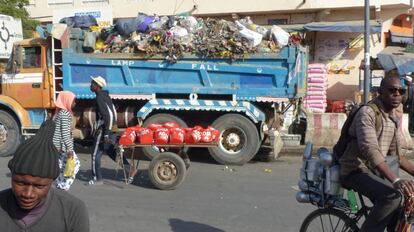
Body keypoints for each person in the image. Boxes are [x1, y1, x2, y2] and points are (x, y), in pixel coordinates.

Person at [339, 76, 414, 232]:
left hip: (375, 170)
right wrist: (396, 180)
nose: (397, 94)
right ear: (380, 92)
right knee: (392, 197)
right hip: (354, 170)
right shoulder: (367, 113)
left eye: (401, 91)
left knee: (402, 209)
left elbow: (396, 156)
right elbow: (370, 150)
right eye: (392, 90)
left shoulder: (393, 118)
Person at [0, 120, 89, 231]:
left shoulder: (73, 211)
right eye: (21, 183)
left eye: (39, 186)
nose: (28, 194)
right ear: (12, 176)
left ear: (51, 182)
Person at [88, 76, 121, 185]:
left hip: (104, 128)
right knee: (111, 151)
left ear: (97, 86)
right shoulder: (105, 96)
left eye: (92, 83)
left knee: (95, 154)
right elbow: (113, 114)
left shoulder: (99, 98)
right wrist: (112, 129)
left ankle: (97, 178)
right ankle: (129, 169)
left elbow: (108, 115)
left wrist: (106, 133)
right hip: (111, 127)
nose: (90, 85)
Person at [53, 91, 81, 191]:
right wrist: (70, 149)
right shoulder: (64, 114)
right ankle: (63, 186)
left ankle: (60, 184)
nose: (75, 103)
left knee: (62, 167)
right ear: (66, 101)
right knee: (75, 165)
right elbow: (65, 134)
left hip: (58, 146)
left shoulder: (60, 112)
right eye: (73, 101)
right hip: (63, 147)